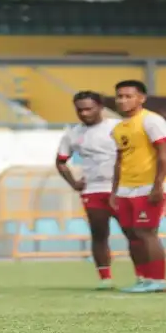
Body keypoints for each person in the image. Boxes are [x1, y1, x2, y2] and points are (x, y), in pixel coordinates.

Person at [110, 80, 166, 293]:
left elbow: (165, 154)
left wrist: (158, 186)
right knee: (131, 234)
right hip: (125, 188)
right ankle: (143, 278)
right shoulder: (118, 128)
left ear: (141, 98)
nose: (123, 100)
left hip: (147, 186)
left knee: (146, 232)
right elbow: (120, 161)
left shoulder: (151, 121)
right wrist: (114, 191)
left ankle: (159, 280)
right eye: (120, 96)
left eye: (128, 96)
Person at [55, 91, 122, 290]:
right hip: (93, 190)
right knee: (99, 234)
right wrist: (74, 183)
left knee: (135, 234)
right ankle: (105, 278)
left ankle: (145, 276)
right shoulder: (72, 133)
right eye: (79, 110)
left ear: (101, 107)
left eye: (88, 109)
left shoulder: (117, 128)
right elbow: (60, 162)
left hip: (121, 189)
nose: (84, 113)